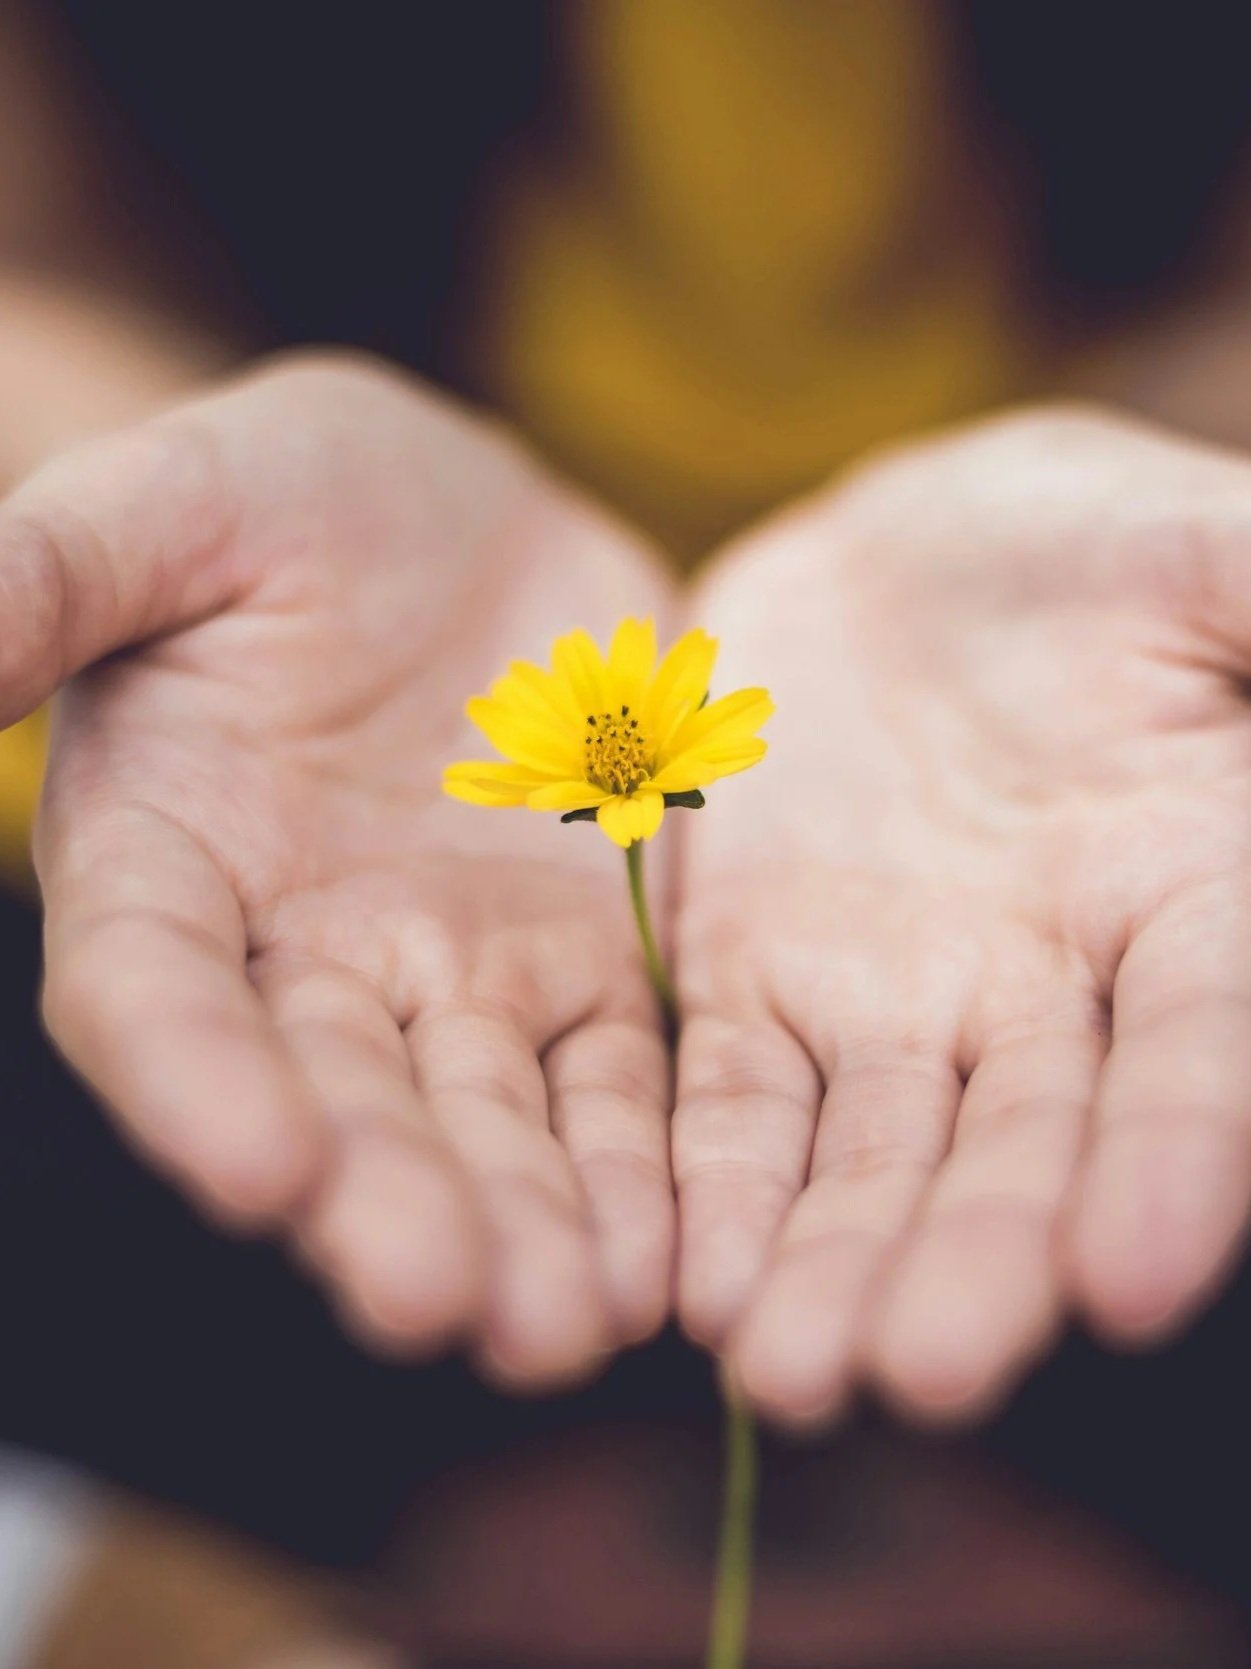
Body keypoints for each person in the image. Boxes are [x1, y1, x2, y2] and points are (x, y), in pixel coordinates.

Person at [4, 0, 1251, 1588]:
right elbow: (26, 263)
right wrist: (146, 464)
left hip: (1055, 797)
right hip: (298, 775)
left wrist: (1154, 475)